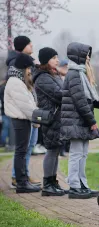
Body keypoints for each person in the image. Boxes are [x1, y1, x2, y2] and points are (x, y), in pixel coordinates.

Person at [61, 42, 99, 199]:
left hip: (80, 120)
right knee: (76, 154)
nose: (88, 57)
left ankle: (82, 184)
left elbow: (89, 99)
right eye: (86, 54)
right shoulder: (74, 74)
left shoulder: (80, 73)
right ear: (78, 55)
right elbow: (80, 101)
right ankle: (74, 186)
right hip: (76, 121)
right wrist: (91, 121)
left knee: (82, 154)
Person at [4, 54, 41, 193]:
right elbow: (26, 106)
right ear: (24, 68)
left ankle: (23, 180)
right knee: (21, 152)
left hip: (23, 119)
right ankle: (21, 183)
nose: (30, 71)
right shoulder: (15, 82)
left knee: (22, 151)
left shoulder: (18, 80)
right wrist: (37, 118)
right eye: (29, 68)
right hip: (20, 120)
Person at [33, 47, 65, 197]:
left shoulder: (53, 75)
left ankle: (53, 182)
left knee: (56, 150)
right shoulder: (43, 77)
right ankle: (47, 184)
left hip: (57, 118)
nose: (57, 60)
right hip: (51, 118)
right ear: (46, 60)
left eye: (57, 57)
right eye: (53, 58)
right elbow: (59, 95)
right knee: (52, 150)